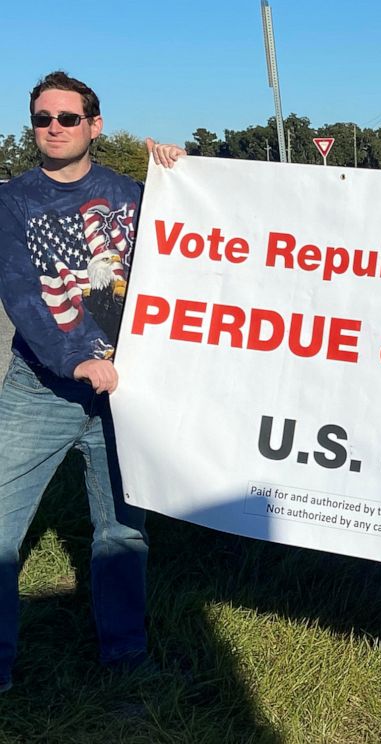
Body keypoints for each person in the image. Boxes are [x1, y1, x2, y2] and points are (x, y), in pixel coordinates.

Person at [0, 71, 185, 692]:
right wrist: (75, 358)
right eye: (42, 119)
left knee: (122, 532)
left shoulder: (133, 195)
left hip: (125, 394)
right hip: (40, 390)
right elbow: (23, 292)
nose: (54, 128)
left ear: (94, 126)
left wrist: (180, 176)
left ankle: (127, 658)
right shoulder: (13, 200)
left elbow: (193, 249)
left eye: (67, 118)